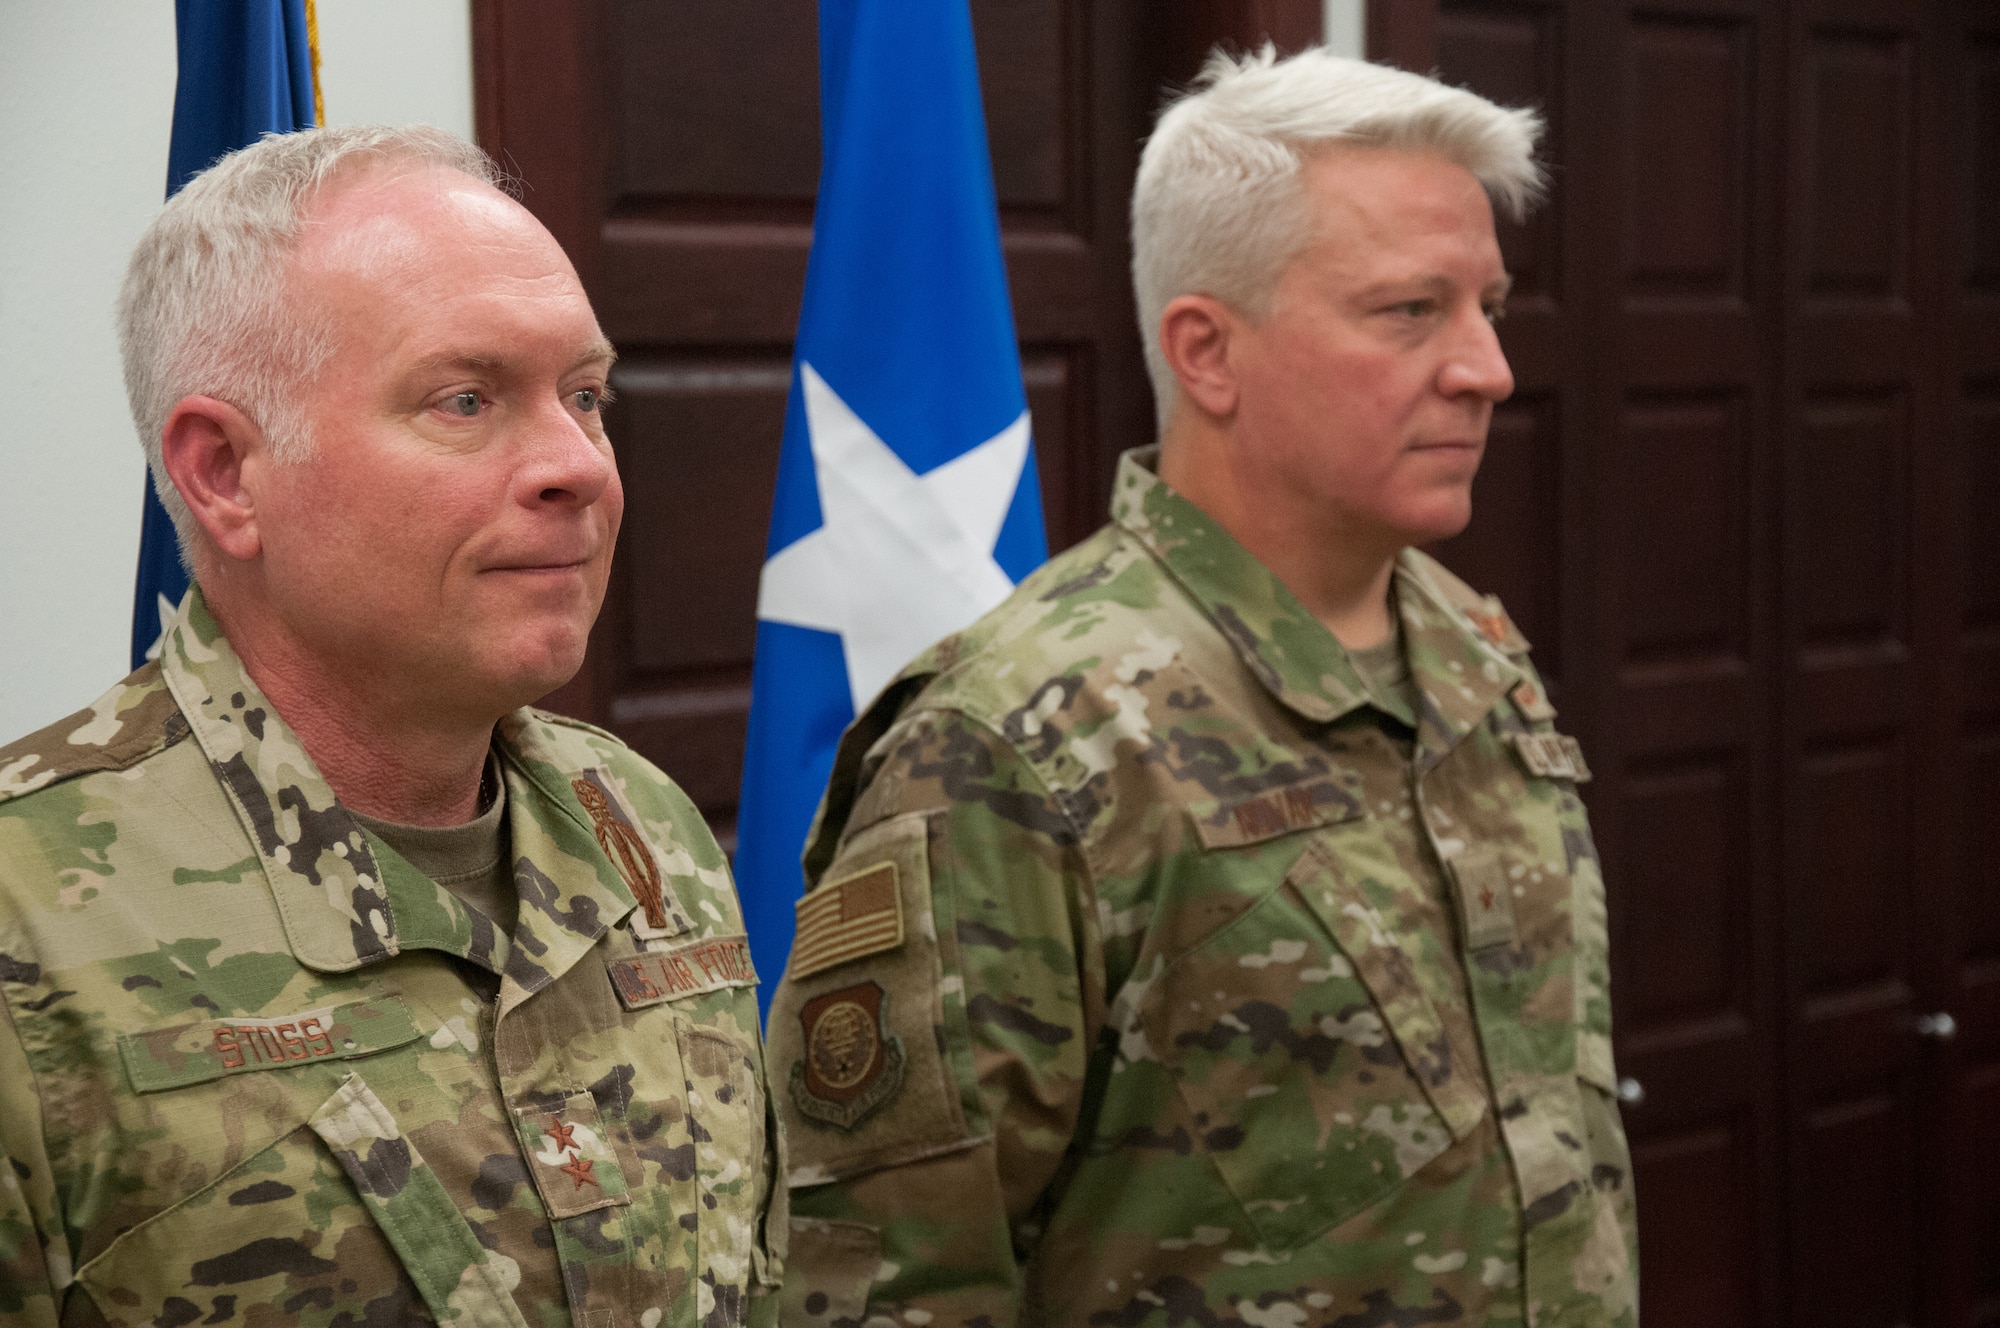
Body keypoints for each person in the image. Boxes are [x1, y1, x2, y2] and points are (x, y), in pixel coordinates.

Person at [768, 46, 1636, 1327]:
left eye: (1487, 306)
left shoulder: (1471, 652)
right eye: (1410, 311)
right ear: (1207, 352)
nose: (1485, 369)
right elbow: (887, 1281)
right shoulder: (1021, 741)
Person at [0, 127, 784, 1326]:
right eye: (464, 399)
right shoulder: (28, 917)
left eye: (585, 395)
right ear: (223, 473)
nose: (577, 465)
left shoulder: (647, 829)